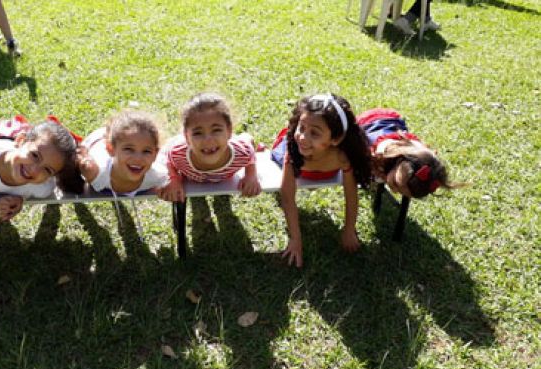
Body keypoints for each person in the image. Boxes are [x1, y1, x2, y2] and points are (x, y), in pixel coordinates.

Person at [271, 94, 371, 267]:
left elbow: (351, 193)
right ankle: (276, 140)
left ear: (336, 139)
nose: (303, 137)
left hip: (321, 168)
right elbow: (287, 197)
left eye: (314, 133)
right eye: (301, 127)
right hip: (291, 156)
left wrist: (349, 230)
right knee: (277, 154)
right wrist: (295, 239)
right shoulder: (293, 149)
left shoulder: (341, 156)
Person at [158, 92, 261, 203]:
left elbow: (250, 153)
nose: (208, 140)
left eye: (216, 130)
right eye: (198, 133)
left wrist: (251, 175)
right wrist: (174, 179)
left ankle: (244, 136)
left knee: (246, 140)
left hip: (235, 148)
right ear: (187, 137)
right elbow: (167, 159)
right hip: (185, 158)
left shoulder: (242, 152)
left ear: (229, 130)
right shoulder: (177, 153)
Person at [357, 108, 457, 198]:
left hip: (394, 126)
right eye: (396, 184)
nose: (395, 191)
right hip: (370, 121)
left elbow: (430, 160)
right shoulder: (378, 153)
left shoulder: (419, 155)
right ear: (399, 163)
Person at [77, 110, 168, 197]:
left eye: (146, 151)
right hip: (96, 140)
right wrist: (83, 156)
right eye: (129, 149)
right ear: (110, 149)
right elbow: (80, 153)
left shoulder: (158, 176)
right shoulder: (95, 172)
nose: (138, 159)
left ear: (156, 154)